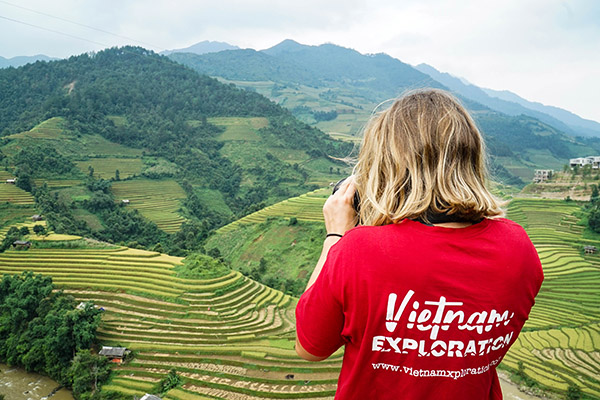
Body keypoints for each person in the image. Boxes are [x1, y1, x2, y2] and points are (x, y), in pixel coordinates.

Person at [295, 89, 543, 399]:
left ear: (389, 167)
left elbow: (310, 346)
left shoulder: (359, 250)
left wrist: (335, 237)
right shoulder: (518, 249)